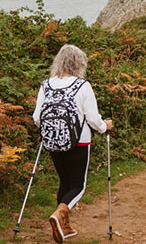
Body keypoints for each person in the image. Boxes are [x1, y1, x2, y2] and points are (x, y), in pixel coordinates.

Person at [33, 44, 112, 243]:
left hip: (52, 142)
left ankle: (64, 227)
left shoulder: (46, 85)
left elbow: (37, 117)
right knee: (78, 185)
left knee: (65, 182)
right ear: (80, 63)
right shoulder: (82, 86)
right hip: (79, 142)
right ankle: (59, 214)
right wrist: (105, 127)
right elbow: (93, 119)